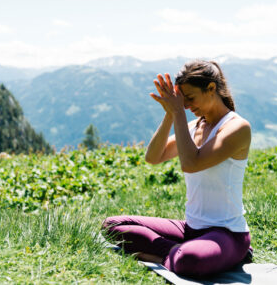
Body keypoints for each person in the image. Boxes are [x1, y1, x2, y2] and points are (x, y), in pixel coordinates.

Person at [102, 60, 252, 278]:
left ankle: (173, 255)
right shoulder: (193, 126)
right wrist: (170, 114)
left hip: (227, 234)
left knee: (189, 261)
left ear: (211, 89)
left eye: (190, 98)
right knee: (113, 225)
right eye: (182, 101)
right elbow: (153, 157)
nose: (187, 106)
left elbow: (191, 164)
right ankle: (180, 252)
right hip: (190, 229)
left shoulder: (237, 128)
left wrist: (179, 115)